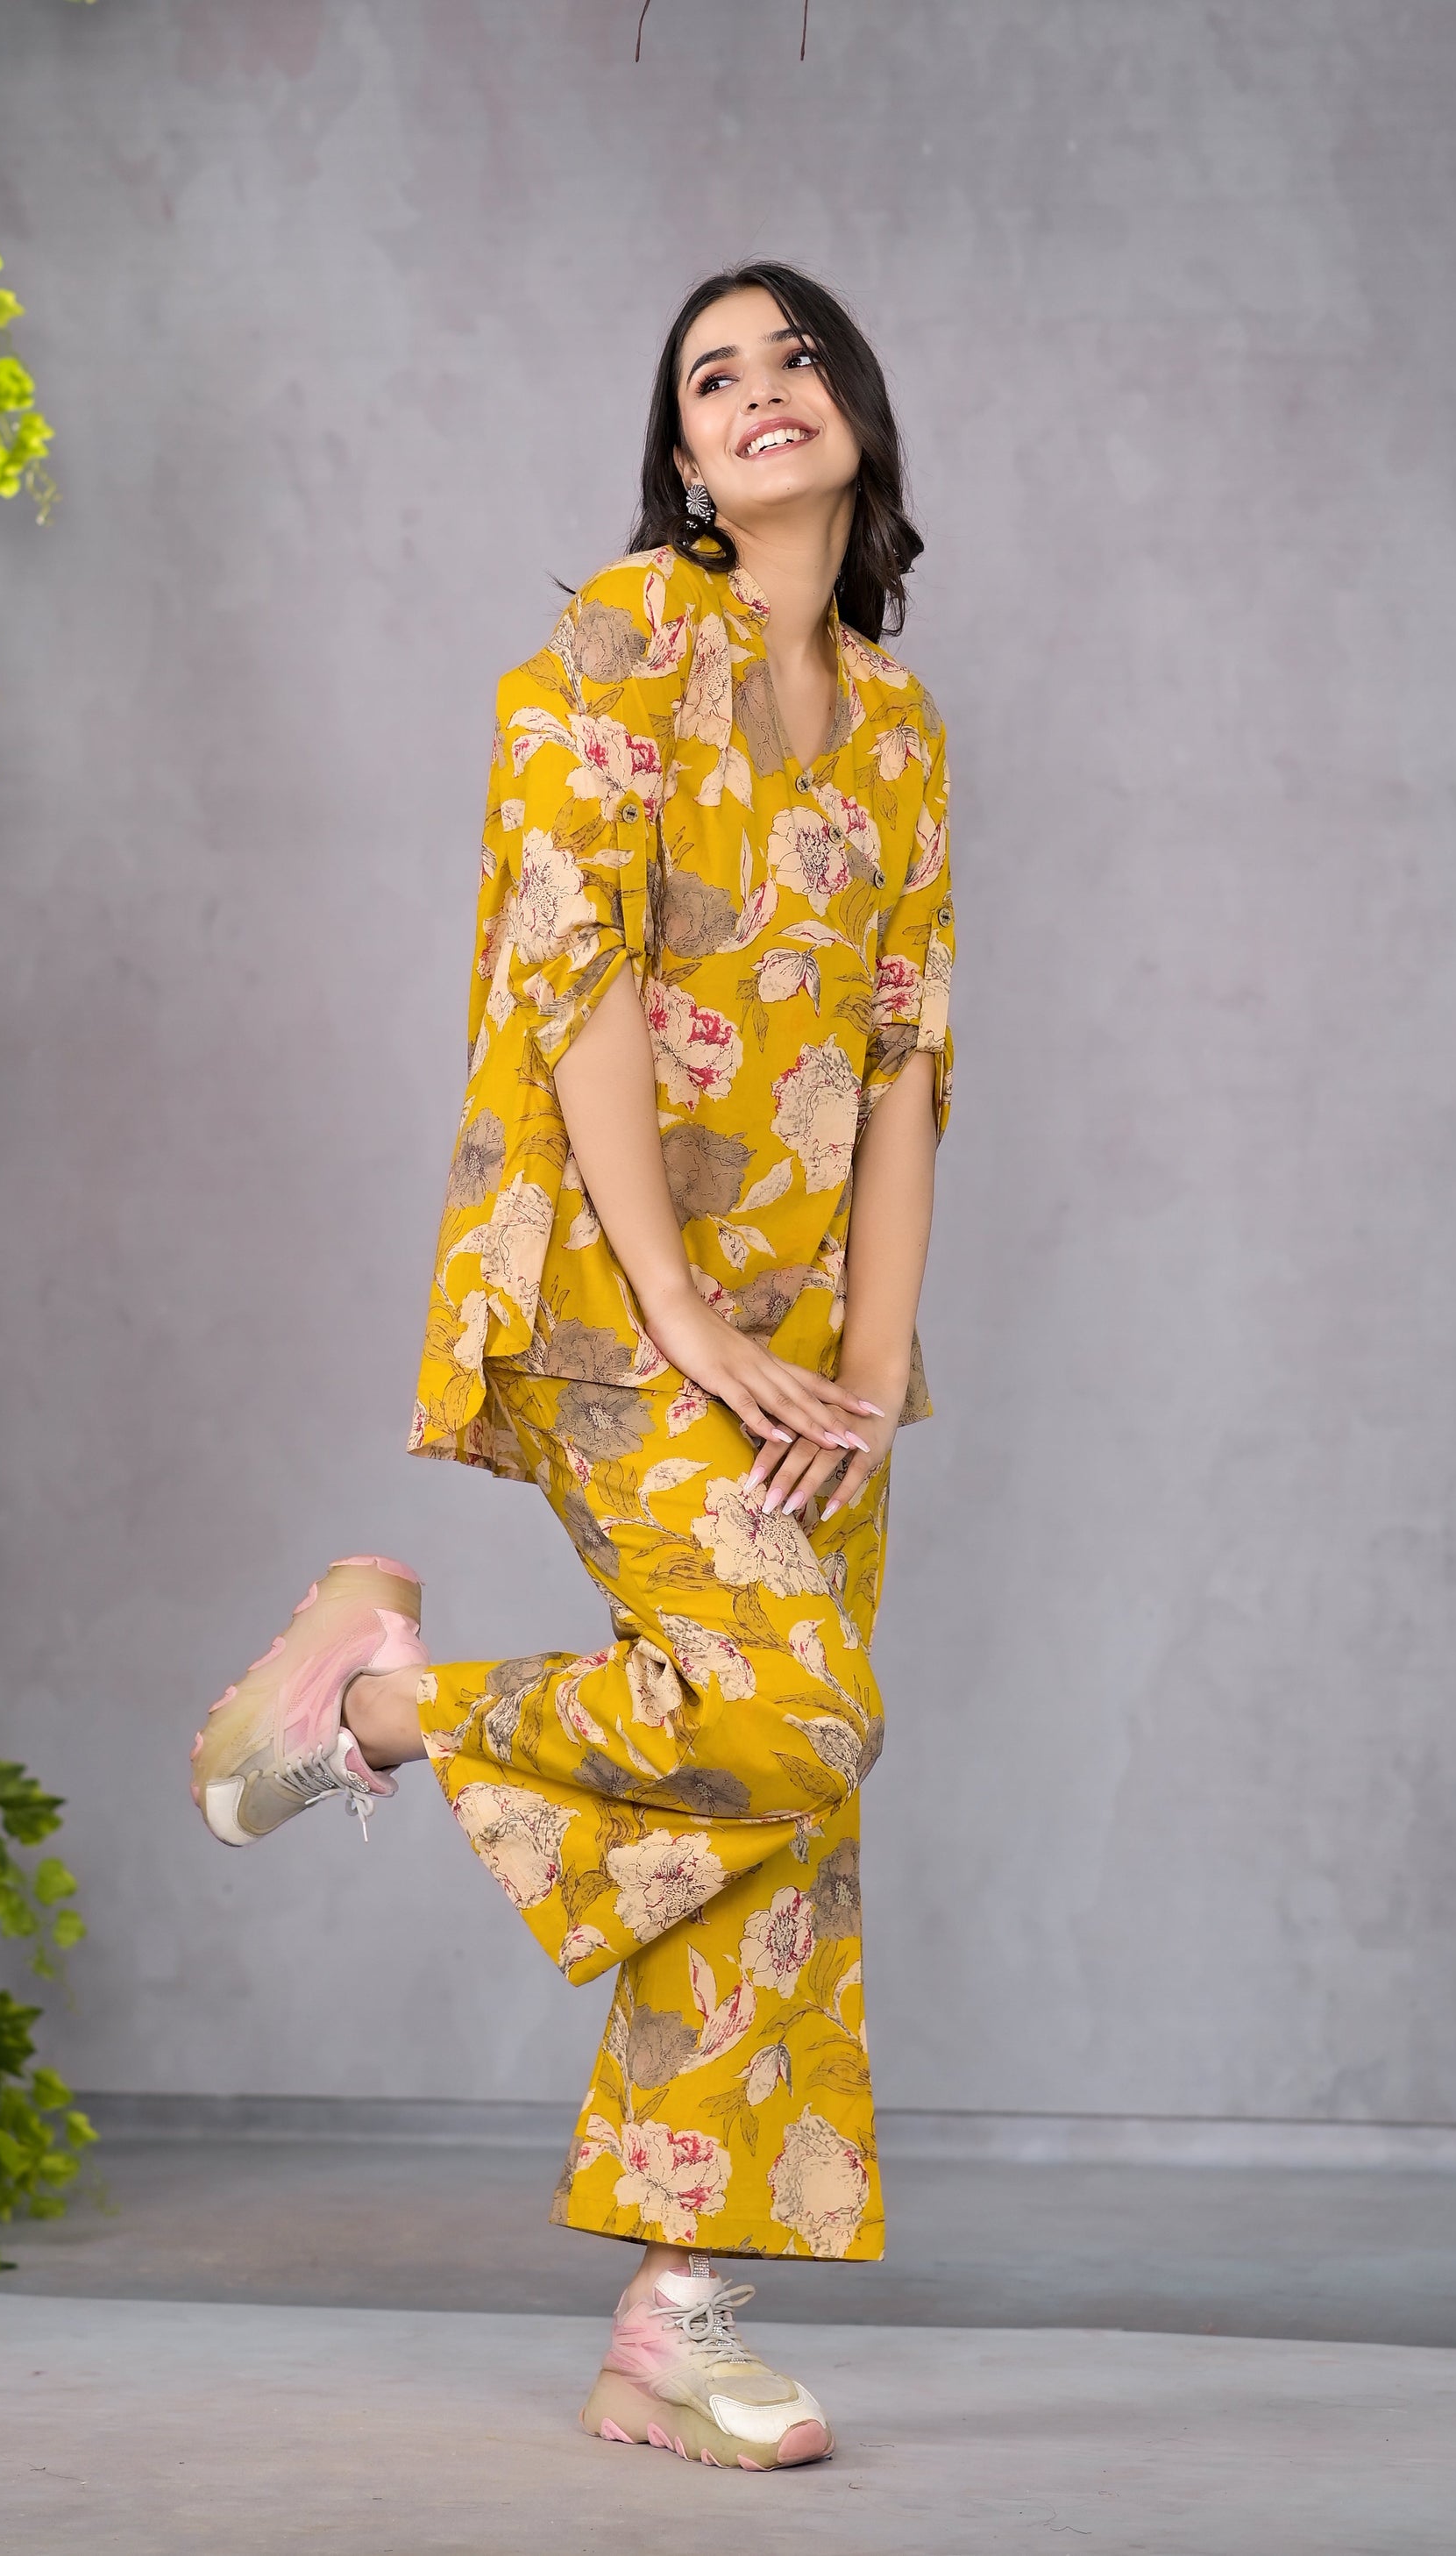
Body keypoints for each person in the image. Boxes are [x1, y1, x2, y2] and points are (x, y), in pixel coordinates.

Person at [189, 261, 954, 2472]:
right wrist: (690, 1317)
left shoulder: (901, 726)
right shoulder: (622, 640)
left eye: (794, 356)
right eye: (714, 376)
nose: (761, 389)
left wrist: (870, 1361)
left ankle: (672, 2327)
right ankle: (379, 1707)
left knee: (778, 1803)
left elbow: (909, 1058)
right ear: (685, 459)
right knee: (803, 1713)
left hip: (808, 1343)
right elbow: (574, 980)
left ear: (856, 409)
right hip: (620, 1301)